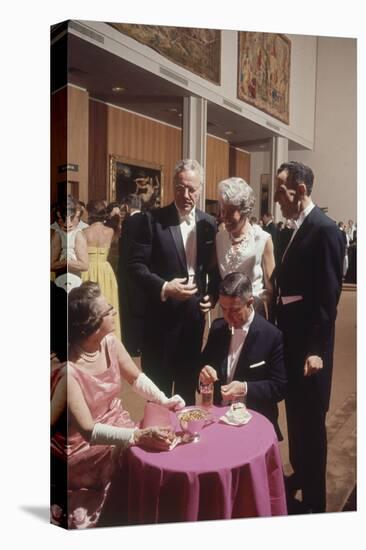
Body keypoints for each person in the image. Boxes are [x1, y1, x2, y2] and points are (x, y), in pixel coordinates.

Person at [51, 282, 185, 529]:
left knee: (158, 446)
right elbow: (89, 432)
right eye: (108, 310)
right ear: (91, 323)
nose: (114, 312)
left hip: (117, 422)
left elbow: (135, 377)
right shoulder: (69, 372)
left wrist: (164, 400)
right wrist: (137, 435)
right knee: (136, 455)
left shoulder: (110, 342)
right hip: (83, 449)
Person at [274, 160, 344, 513]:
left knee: (312, 426)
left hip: (310, 350)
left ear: (300, 190)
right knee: (297, 420)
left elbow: (327, 298)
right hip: (290, 339)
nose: (276, 197)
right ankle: (299, 476)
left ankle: (315, 503)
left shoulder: (325, 230)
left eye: (282, 190)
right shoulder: (292, 227)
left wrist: (316, 350)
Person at [129, 159, 219, 403]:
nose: (185, 194)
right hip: (160, 318)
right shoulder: (151, 220)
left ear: (200, 189)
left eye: (191, 189)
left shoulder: (208, 224)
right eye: (180, 188)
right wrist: (165, 287)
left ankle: (186, 437)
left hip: (193, 318)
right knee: (159, 390)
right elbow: (135, 266)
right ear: (172, 187)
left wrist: (211, 297)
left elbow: (213, 270)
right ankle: (159, 437)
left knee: (187, 386)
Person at [199, 272, 286, 438]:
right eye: (223, 309)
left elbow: (279, 387)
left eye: (234, 310)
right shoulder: (217, 328)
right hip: (218, 418)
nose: (227, 317)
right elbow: (203, 365)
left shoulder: (272, 336)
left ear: (250, 302)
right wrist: (204, 373)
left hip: (254, 422)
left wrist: (244, 388)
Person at [215, 177, 275, 318]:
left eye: (231, 212)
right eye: (223, 211)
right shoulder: (219, 238)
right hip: (226, 313)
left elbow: (271, 288)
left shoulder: (262, 239)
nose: (225, 217)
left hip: (252, 313)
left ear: (245, 211)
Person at [82, 200, 121, 339]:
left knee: (90, 307)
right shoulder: (110, 231)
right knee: (107, 304)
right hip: (105, 270)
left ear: (91, 213)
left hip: (89, 270)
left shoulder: (84, 232)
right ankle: (109, 338)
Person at [118, 194, 145, 356]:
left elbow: (125, 251)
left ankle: (131, 345)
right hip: (145, 271)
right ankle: (142, 344)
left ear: (127, 206)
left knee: (129, 309)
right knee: (142, 308)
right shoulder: (148, 219)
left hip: (129, 273)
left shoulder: (128, 222)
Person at [51, 195, 89, 292]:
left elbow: (84, 266)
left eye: (73, 218)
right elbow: (51, 265)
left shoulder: (79, 234)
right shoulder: (57, 233)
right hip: (60, 278)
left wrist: (66, 262)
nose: (68, 223)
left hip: (75, 278)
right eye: (61, 219)